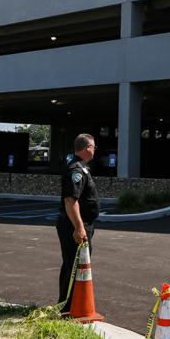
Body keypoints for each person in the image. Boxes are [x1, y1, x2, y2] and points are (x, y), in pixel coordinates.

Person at [57, 133, 100, 310]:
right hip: (74, 226)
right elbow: (70, 200)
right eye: (94, 147)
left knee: (76, 265)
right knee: (74, 266)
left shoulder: (82, 168)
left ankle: (72, 305)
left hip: (80, 224)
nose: (95, 150)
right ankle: (67, 308)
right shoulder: (76, 170)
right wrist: (79, 228)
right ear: (88, 148)